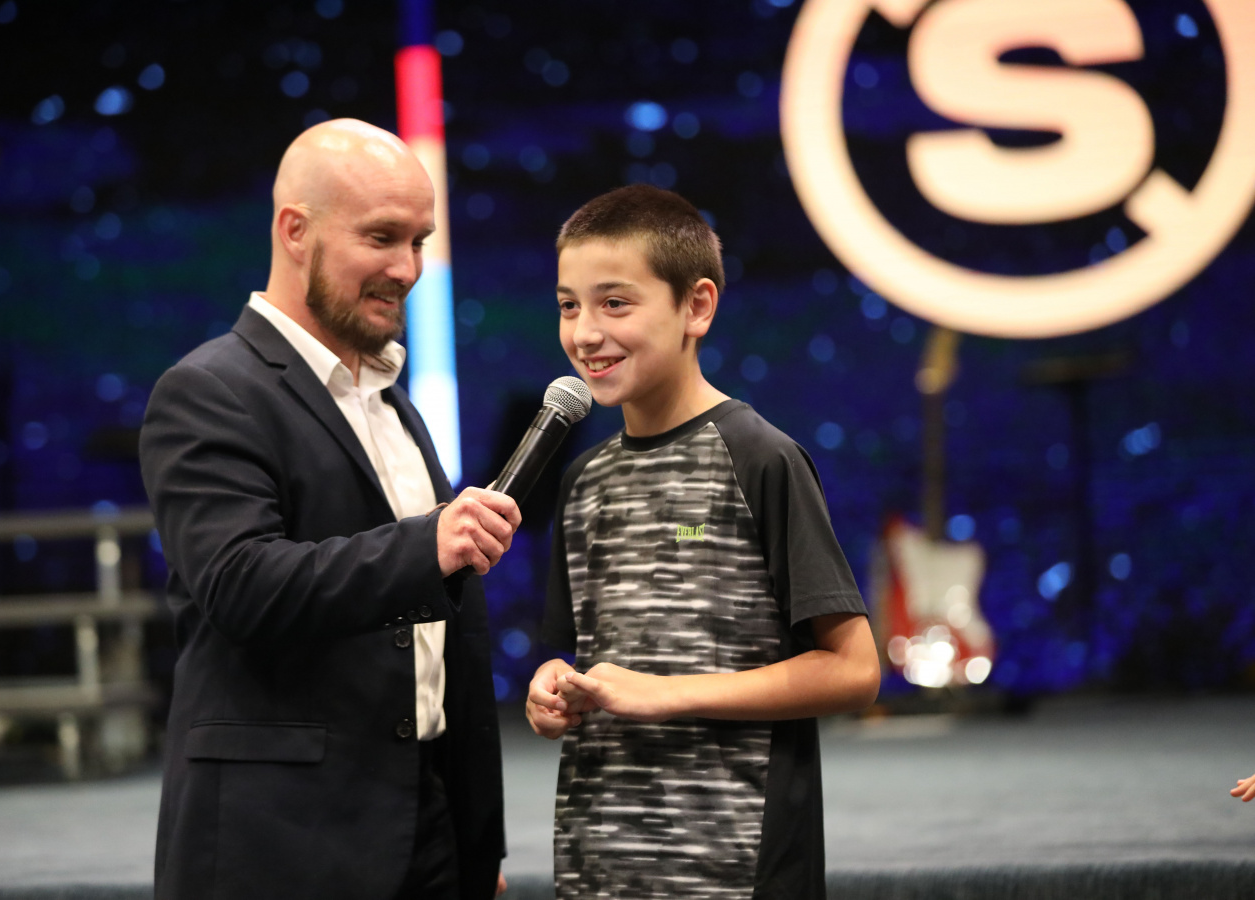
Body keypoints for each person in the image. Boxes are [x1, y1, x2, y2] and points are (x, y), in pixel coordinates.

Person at [140, 119, 517, 900]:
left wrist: (473, 839)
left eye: (419, 241)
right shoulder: (208, 391)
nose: (407, 268)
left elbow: (435, 653)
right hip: (281, 847)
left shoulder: (390, 401)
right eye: (381, 237)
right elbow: (241, 585)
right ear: (294, 231)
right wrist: (428, 546)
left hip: (427, 834)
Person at [525, 184, 881, 899]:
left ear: (697, 307)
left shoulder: (759, 458)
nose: (585, 333)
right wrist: (552, 690)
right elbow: (578, 659)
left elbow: (854, 670)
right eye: (568, 305)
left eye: (614, 303)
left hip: (734, 866)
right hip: (601, 864)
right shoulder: (584, 480)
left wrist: (668, 695)